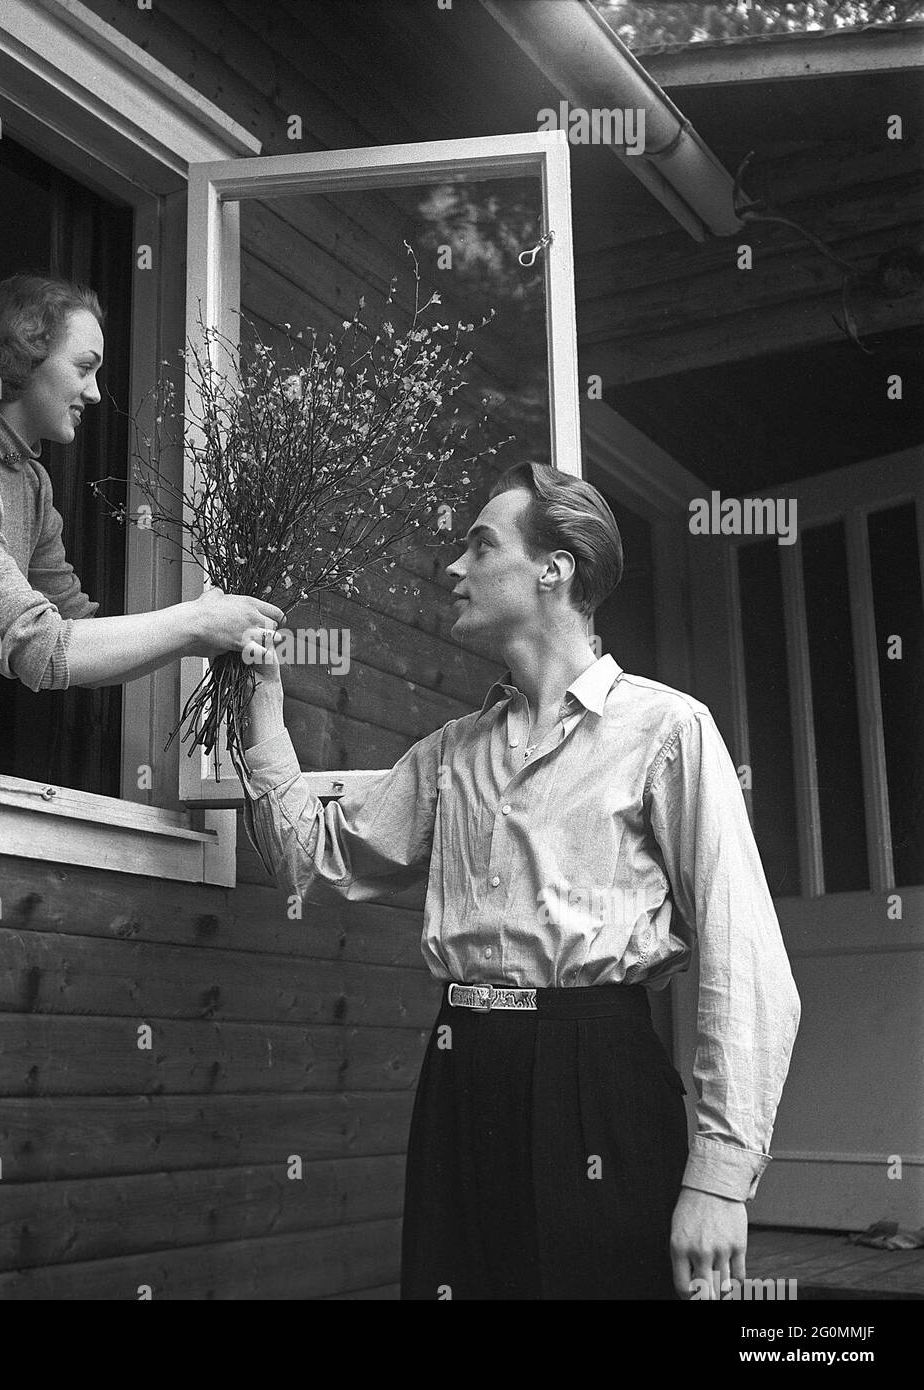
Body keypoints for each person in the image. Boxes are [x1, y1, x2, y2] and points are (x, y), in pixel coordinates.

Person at [235, 460, 801, 1300]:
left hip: (594, 1076)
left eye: (478, 545)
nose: (454, 569)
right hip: (460, 1070)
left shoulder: (666, 731)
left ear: (553, 568)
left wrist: (720, 1178)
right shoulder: (452, 753)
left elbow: (744, 955)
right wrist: (262, 704)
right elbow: (309, 858)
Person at [0, 274, 282, 697]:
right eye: (84, 367)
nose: (96, 393)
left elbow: (74, 637)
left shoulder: (30, 482)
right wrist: (195, 621)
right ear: (22, 358)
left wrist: (198, 637)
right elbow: (36, 649)